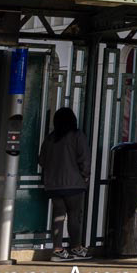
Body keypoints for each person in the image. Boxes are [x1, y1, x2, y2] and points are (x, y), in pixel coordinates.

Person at [38, 107, 92, 261]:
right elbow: (85, 159)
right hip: (74, 184)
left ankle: (57, 250)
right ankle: (76, 248)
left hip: (54, 185)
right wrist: (85, 176)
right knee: (74, 216)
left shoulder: (50, 138)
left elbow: (42, 160)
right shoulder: (77, 135)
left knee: (58, 216)